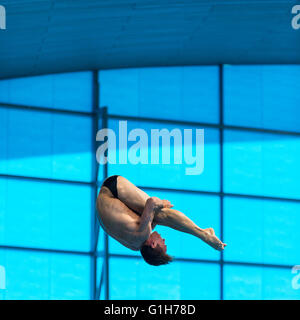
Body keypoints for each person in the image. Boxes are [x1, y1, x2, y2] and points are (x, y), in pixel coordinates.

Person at [96, 175, 227, 266]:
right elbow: (147, 223)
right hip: (104, 203)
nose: (163, 240)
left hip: (113, 189)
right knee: (155, 216)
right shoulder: (135, 246)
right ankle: (202, 233)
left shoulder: (142, 235)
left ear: (153, 245)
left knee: (160, 213)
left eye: (162, 243)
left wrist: (162, 203)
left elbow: (151, 202)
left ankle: (203, 235)